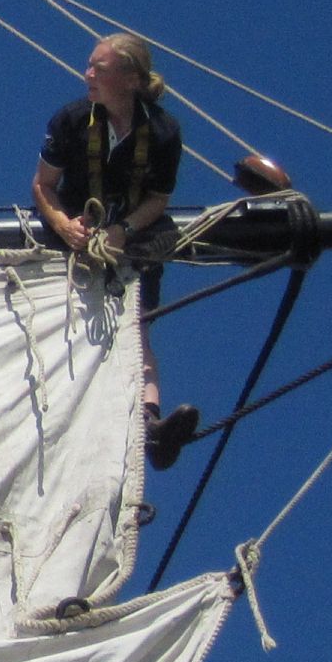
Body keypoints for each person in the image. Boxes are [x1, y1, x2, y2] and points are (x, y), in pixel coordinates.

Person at [33, 32, 201, 462]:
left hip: (133, 236)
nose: (87, 74)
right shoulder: (70, 121)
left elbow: (158, 200)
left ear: (130, 79)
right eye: (89, 65)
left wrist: (124, 229)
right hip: (76, 237)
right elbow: (43, 186)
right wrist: (61, 224)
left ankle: (151, 421)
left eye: (99, 69)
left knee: (136, 325)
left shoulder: (163, 132)